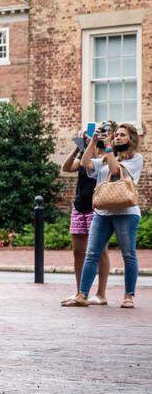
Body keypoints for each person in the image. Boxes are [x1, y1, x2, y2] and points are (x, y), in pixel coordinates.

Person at [62, 122, 143, 309]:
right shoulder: (107, 156)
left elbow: (115, 171)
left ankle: (128, 296)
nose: (118, 137)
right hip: (102, 212)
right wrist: (92, 141)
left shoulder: (135, 158)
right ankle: (82, 295)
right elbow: (85, 163)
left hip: (126, 213)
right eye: (117, 135)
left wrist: (107, 147)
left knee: (128, 254)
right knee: (91, 254)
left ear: (131, 139)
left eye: (122, 135)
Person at [61, 128, 111, 304]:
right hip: (79, 207)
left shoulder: (104, 158)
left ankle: (101, 294)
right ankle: (80, 292)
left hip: (97, 208)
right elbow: (66, 167)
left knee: (100, 252)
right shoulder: (84, 157)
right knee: (78, 252)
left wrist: (94, 142)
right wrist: (78, 147)